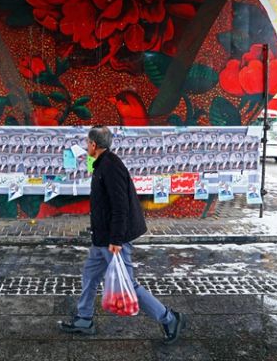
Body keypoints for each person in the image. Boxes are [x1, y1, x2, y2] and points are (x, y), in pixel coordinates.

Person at [58, 126, 186, 344]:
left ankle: (169, 318)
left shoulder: (111, 166)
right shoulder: (101, 164)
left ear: (94, 145)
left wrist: (116, 239)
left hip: (113, 239)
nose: (85, 145)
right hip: (101, 239)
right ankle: (84, 318)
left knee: (128, 284)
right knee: (90, 276)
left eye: (87, 142)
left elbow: (120, 206)